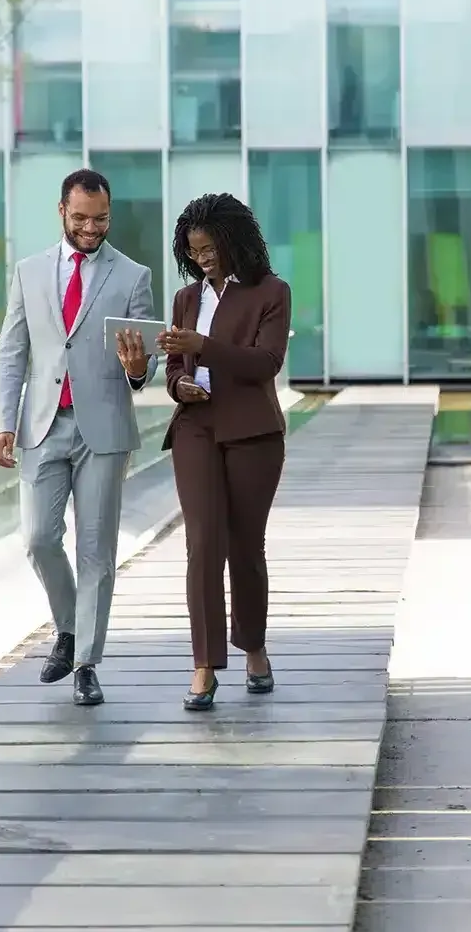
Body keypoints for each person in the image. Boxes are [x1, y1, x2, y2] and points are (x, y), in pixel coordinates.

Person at [0, 169, 158, 706]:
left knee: (96, 551)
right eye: (82, 217)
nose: (92, 228)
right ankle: (67, 627)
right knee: (38, 538)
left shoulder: (133, 276)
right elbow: (13, 353)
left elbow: (144, 364)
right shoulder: (28, 272)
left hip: (103, 429)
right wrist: (3, 422)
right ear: (61, 211)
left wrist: (138, 368)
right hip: (41, 427)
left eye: (102, 218)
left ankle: (86, 660)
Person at [156, 193, 291, 711]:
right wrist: (178, 385)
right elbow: (174, 367)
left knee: (244, 545)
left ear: (233, 241)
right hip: (195, 427)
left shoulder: (271, 292)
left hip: (252, 431)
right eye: (194, 251)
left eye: (210, 248)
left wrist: (201, 348)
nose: (202, 259)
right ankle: (204, 666)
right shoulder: (186, 298)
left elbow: (265, 363)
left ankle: (253, 646)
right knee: (202, 545)